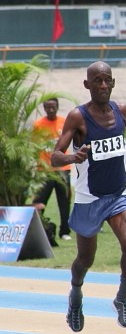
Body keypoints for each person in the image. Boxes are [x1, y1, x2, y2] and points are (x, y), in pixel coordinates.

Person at [51, 61, 126, 333]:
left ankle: (122, 299)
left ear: (113, 82)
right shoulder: (77, 117)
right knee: (86, 259)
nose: (102, 85)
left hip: (118, 192)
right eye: (96, 81)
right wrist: (72, 156)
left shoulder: (121, 110)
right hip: (90, 197)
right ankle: (75, 296)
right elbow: (55, 156)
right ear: (87, 85)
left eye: (107, 80)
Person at [32, 98, 72, 241]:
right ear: (44, 108)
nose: (51, 110)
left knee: (64, 201)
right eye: (48, 107)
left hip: (63, 168)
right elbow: (34, 146)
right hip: (45, 169)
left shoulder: (64, 122)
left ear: (57, 107)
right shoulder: (38, 124)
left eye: (53, 107)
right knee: (40, 200)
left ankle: (64, 231)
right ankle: (39, 228)